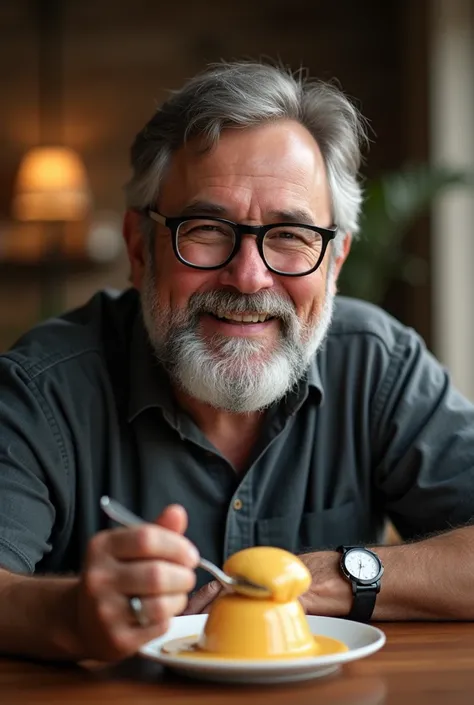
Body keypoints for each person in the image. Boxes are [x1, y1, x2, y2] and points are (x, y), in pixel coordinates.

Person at [1, 60, 473, 664]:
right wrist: (70, 613)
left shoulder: (379, 366)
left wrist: (325, 577)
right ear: (140, 248)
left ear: (334, 262)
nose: (249, 278)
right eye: (206, 229)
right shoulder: (41, 390)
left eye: (289, 236)